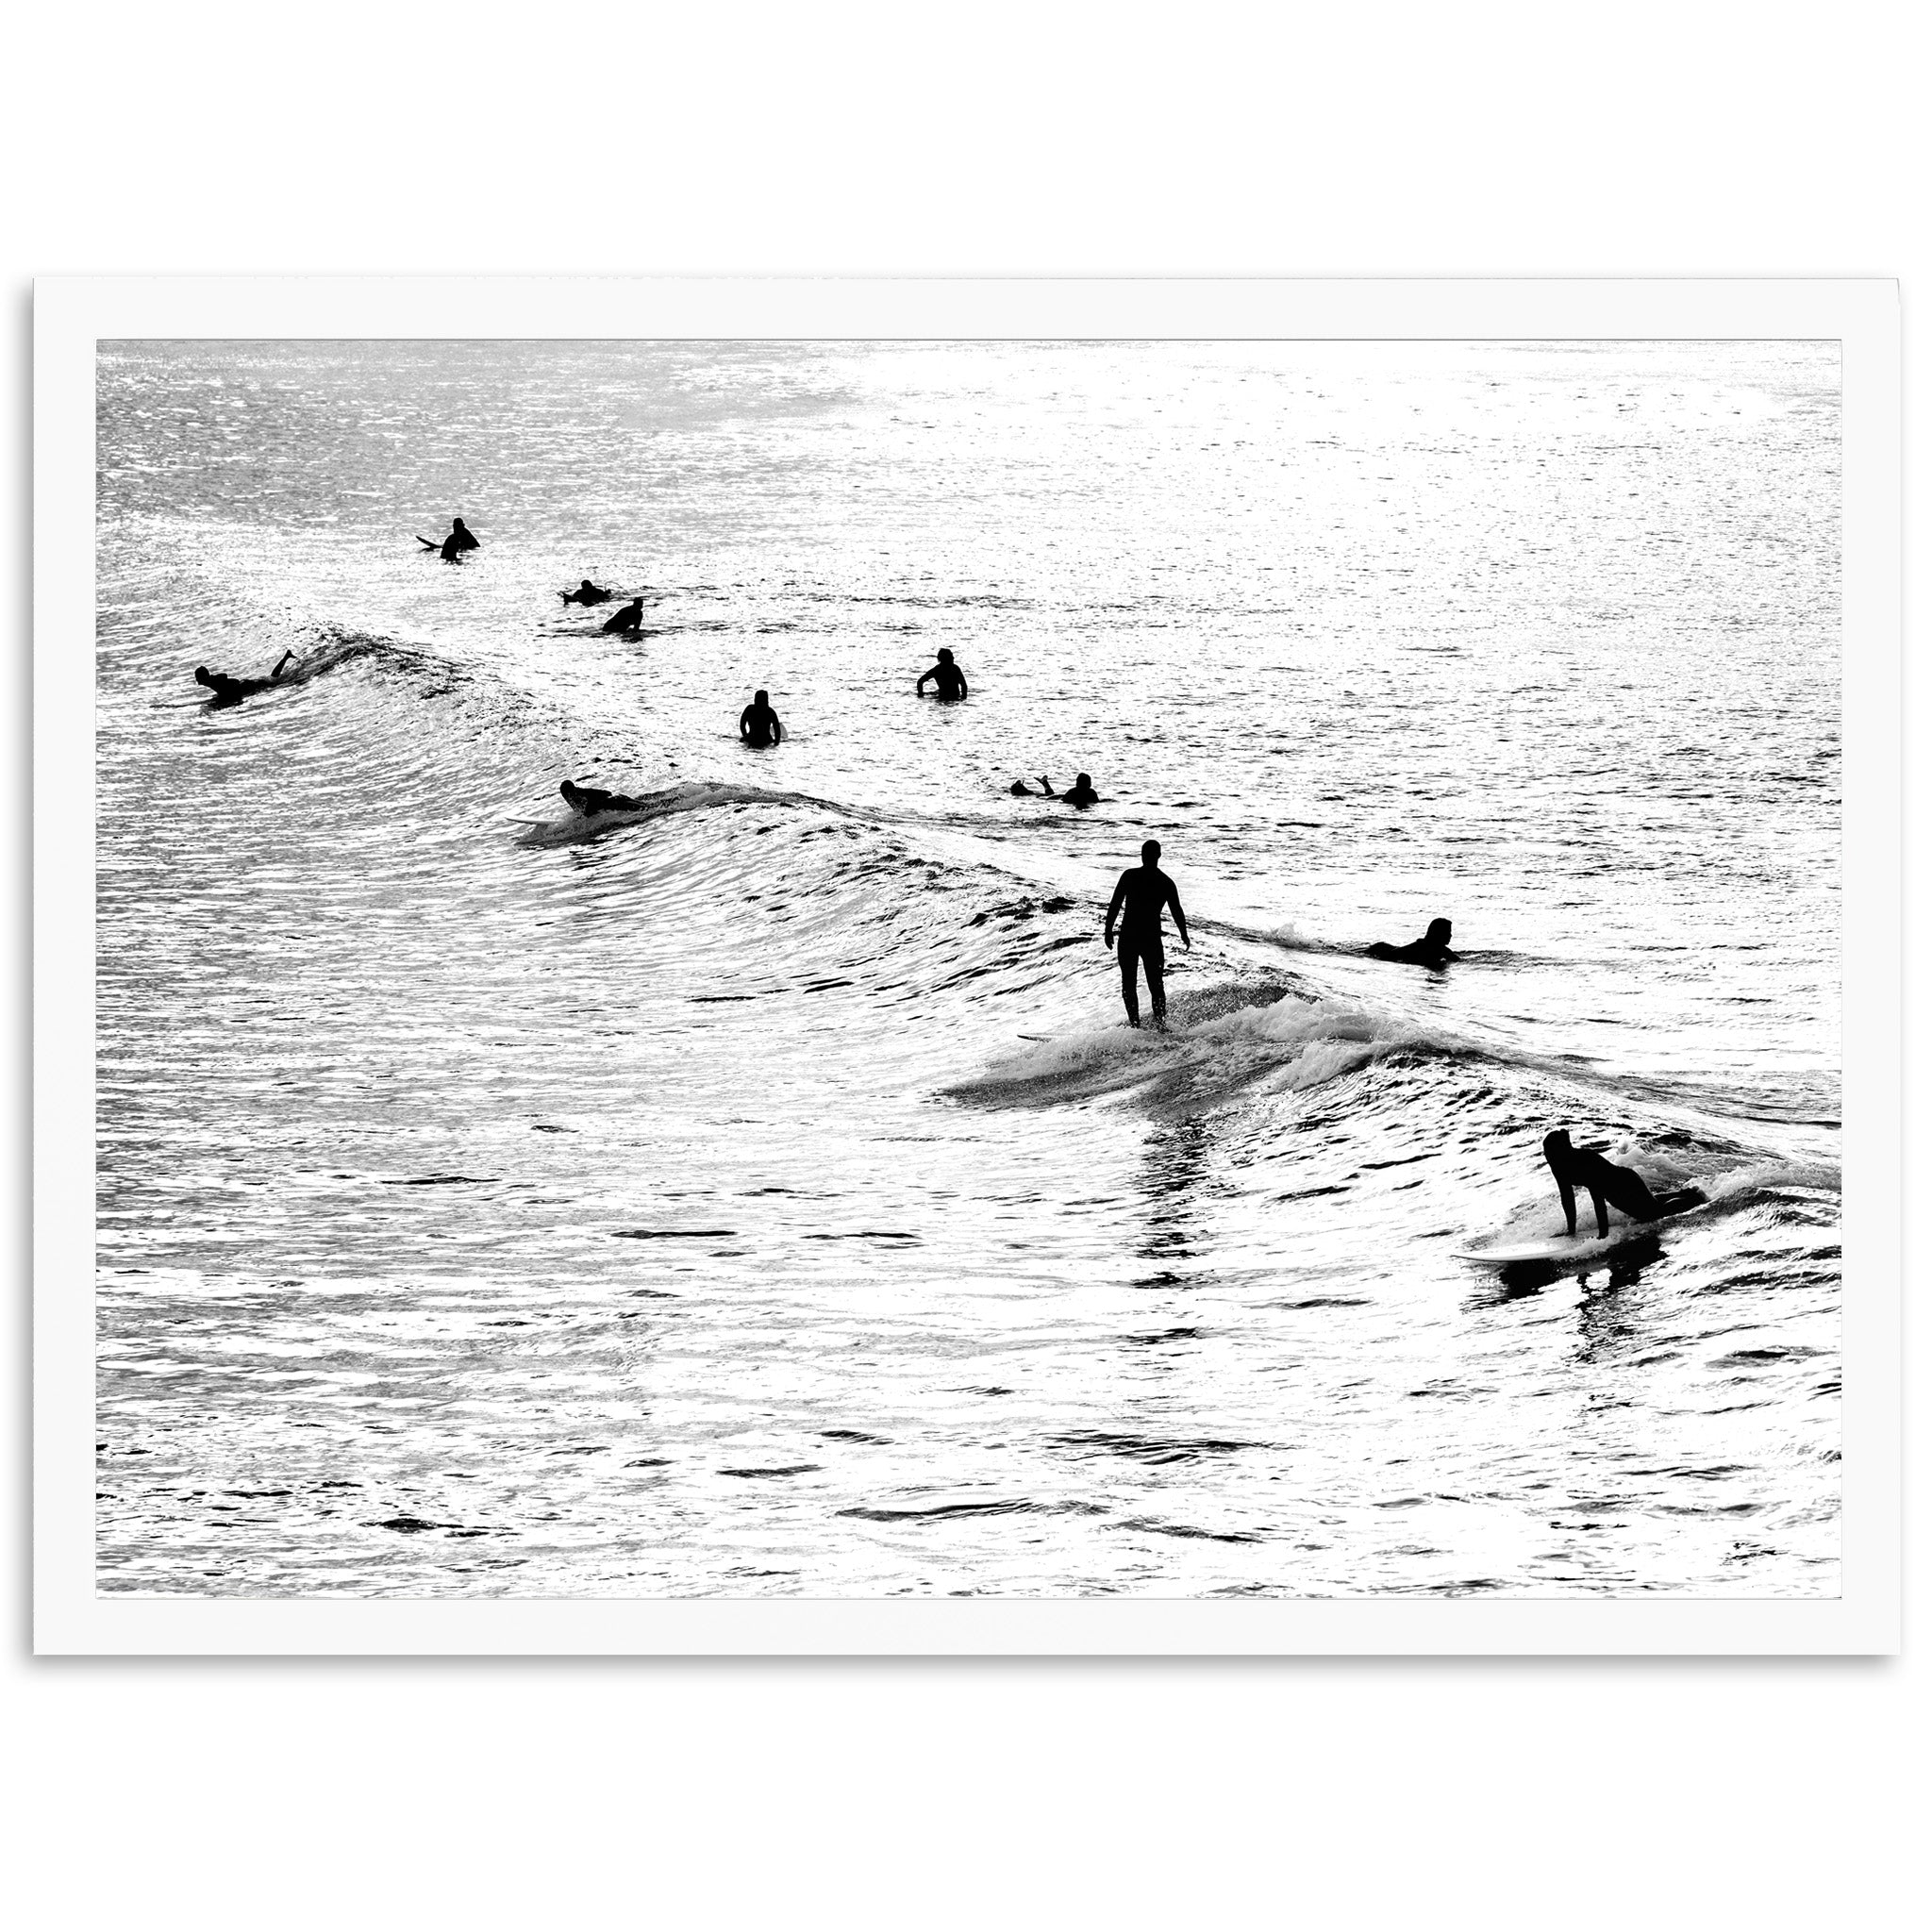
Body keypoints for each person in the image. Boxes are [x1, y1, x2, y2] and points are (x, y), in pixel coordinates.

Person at [1541, 1129, 1706, 1240]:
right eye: (1546, 1153)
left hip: (1625, 1183)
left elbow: (1598, 1201)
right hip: (1615, 1190)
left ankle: (1695, 1199)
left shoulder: (1584, 1159)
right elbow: (1567, 1199)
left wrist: (1603, 1237)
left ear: (1561, 1151)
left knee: (1652, 1213)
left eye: (1549, 1153)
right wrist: (1571, 1231)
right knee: (1650, 1204)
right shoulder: (1560, 1166)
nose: (1547, 1157)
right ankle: (1686, 1192)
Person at [1103, 839, 1191, 1028]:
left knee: (1129, 984)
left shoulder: (1130, 876)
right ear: (1159, 855)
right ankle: (1160, 1025)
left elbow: (1115, 903)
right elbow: (1177, 911)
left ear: (1144, 855)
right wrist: (1183, 934)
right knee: (1156, 985)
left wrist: (1108, 929)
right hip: (1150, 939)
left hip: (1129, 937)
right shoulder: (1165, 882)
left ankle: (1136, 1025)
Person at [194, 650, 296, 708]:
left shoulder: (214, 681)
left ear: (203, 677)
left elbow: (231, 681)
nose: (198, 682)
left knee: (273, 681)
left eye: (198, 678)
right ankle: (286, 657)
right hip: (246, 685)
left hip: (249, 686)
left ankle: (286, 657)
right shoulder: (212, 681)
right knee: (272, 679)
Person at [1366, 917, 1456, 966]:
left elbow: (1458, 961)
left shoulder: (1442, 950)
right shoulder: (1422, 946)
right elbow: (1390, 956)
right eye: (1448, 932)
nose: (1450, 936)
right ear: (1438, 934)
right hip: (1381, 949)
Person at [559, 778, 647, 817]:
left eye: (565, 795)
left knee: (647, 809)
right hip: (616, 802)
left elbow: (607, 793)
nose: (565, 798)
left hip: (617, 802)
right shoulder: (575, 796)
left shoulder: (579, 794)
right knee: (647, 807)